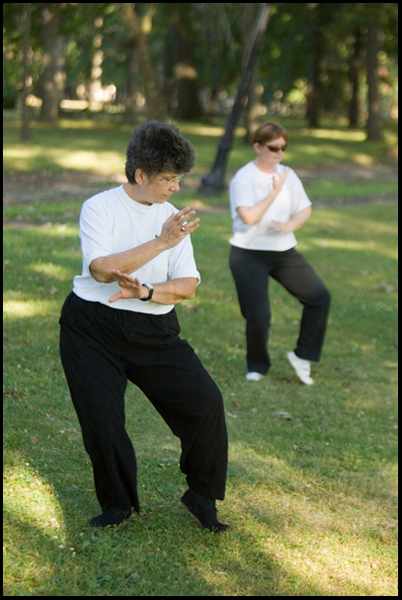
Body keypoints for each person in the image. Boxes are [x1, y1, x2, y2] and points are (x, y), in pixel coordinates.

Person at [59, 121, 229, 532]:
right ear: (140, 175)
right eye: (168, 179)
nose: (174, 188)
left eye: (178, 179)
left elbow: (187, 286)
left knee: (206, 402)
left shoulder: (174, 218)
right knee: (103, 419)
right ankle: (117, 504)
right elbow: (101, 271)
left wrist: (148, 292)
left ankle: (202, 497)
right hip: (91, 328)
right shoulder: (99, 208)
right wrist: (161, 243)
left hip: (153, 329)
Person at [229, 121, 331, 385]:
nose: (279, 153)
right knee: (259, 316)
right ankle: (257, 366)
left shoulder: (288, 174)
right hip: (248, 253)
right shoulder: (244, 178)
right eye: (274, 148)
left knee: (320, 297)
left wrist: (289, 225)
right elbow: (248, 217)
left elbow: (305, 208)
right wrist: (273, 193)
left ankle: (302, 355)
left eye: (283, 147)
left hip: (283, 251)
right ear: (258, 146)